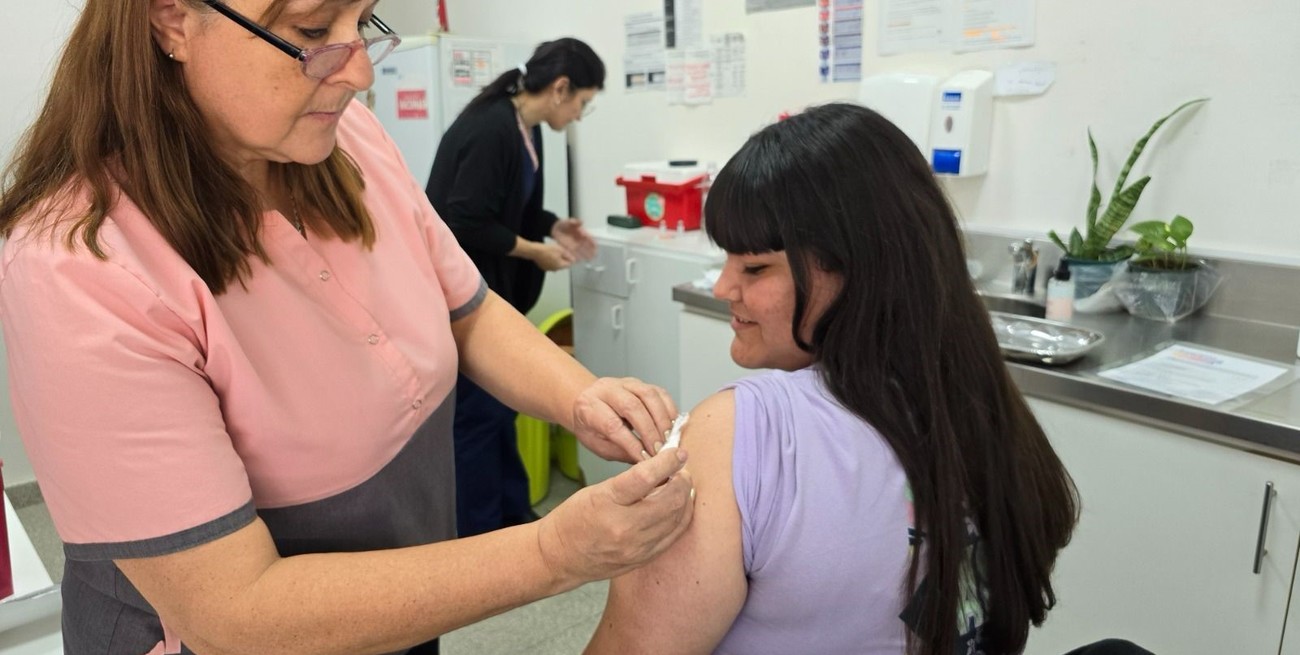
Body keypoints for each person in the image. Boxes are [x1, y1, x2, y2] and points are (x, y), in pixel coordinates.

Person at [0, 1, 693, 653]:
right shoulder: (77, 265)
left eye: (364, 21)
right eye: (308, 31)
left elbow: (467, 312)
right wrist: (554, 552)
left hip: (398, 607)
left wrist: (579, 395)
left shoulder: (346, 137)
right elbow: (232, 610)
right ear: (172, 20)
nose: (359, 70)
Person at [587, 103, 1079, 655]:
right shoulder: (983, 408)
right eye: (727, 260)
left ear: (856, 270)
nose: (724, 287)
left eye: (755, 268)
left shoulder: (741, 433)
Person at [425, 37, 601, 537]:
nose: (581, 114)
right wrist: (533, 250)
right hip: (461, 299)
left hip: (494, 296)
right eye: (584, 102)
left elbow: (509, 206)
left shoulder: (527, 127)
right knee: (479, 419)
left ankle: (513, 516)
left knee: (502, 408)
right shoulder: (491, 129)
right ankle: (481, 535)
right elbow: (462, 220)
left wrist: (552, 226)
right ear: (561, 88)